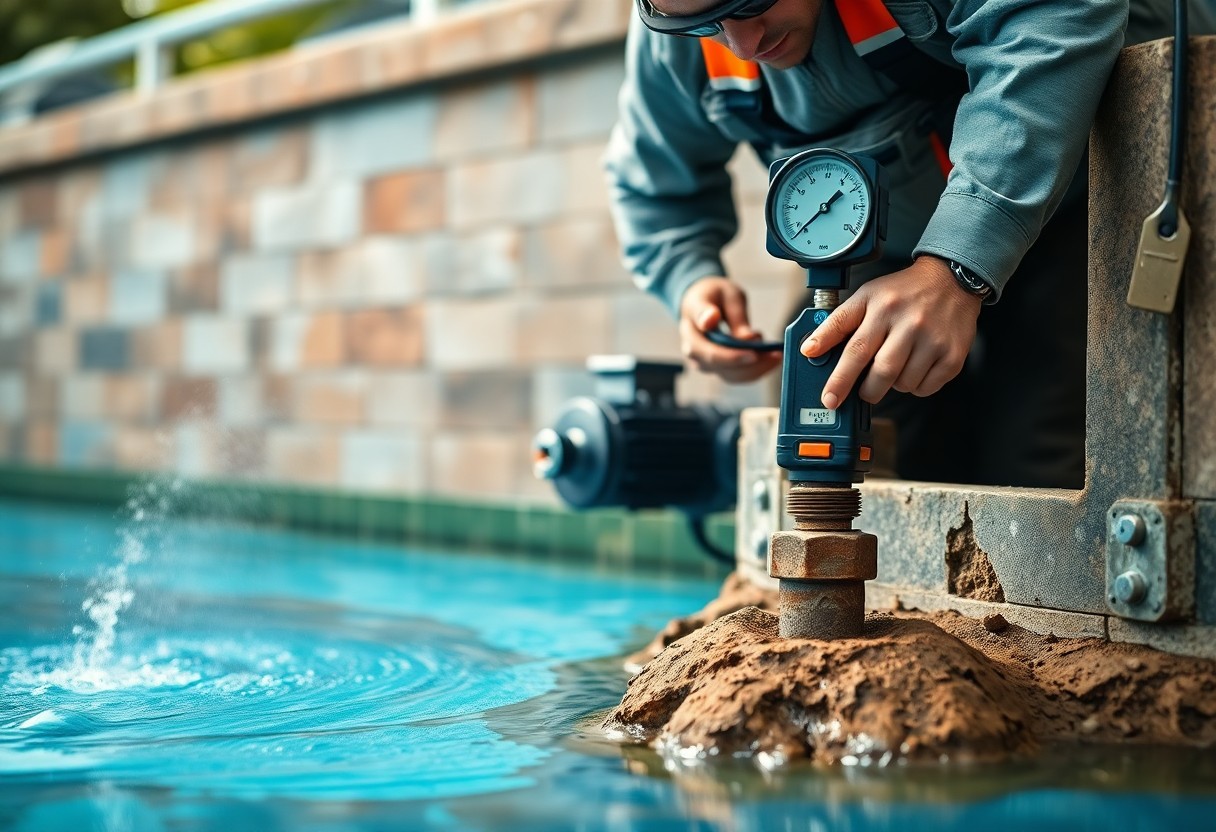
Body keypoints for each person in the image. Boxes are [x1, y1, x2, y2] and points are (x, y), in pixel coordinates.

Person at [605, 0, 1213, 488]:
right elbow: (653, 183)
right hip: (892, 245)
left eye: (753, 2)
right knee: (841, 424)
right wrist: (691, 280)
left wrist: (955, 266)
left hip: (1084, 202)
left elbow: (1050, 25)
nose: (741, 43)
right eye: (703, 23)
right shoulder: (683, 27)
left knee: (1043, 461)